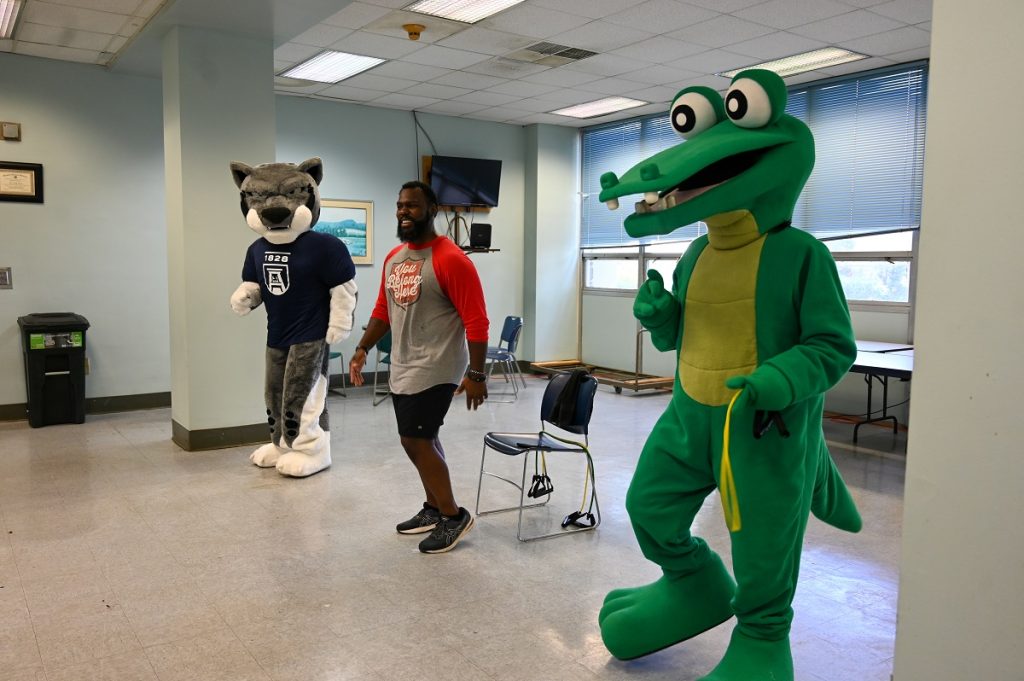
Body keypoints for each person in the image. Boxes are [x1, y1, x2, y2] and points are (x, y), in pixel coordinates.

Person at [349, 180, 489, 554]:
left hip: (437, 366)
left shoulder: (452, 259)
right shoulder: (396, 258)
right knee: (423, 439)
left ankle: (453, 515)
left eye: (411, 205)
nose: (403, 211)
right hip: (404, 364)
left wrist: (476, 374)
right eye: (399, 206)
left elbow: (476, 321)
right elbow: (383, 309)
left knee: (415, 440)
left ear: (431, 209)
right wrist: (363, 346)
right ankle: (433, 508)